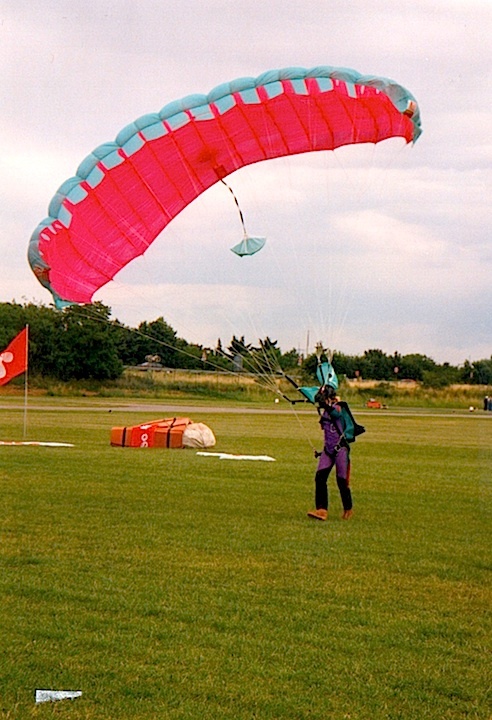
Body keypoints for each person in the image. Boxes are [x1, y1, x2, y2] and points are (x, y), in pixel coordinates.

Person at [307, 385, 364, 521]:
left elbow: (336, 414)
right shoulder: (325, 412)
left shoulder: (338, 407)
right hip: (328, 450)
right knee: (320, 477)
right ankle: (321, 510)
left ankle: (348, 508)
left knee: (341, 480)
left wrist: (326, 405)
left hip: (341, 449)